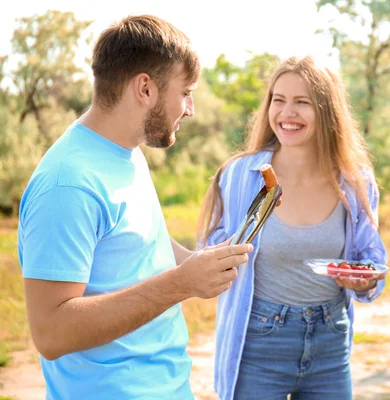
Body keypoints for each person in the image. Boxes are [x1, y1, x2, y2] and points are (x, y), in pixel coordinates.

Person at [17, 15, 252, 400]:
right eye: (186, 91)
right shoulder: (68, 184)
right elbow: (52, 332)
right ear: (145, 88)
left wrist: (198, 263)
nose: (190, 108)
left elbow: (142, 244)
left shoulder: (127, 153)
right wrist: (182, 283)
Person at [196, 56, 387, 400]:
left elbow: (371, 259)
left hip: (330, 342)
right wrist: (223, 255)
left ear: (327, 111)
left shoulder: (354, 181)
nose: (287, 113)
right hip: (259, 342)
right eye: (278, 100)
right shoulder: (241, 175)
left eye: (303, 103)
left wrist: (366, 278)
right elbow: (208, 253)